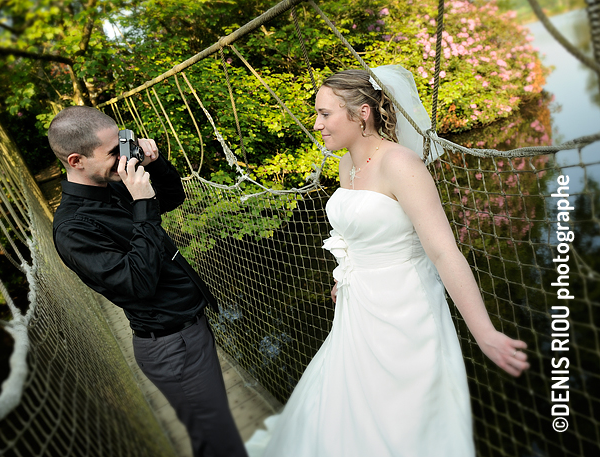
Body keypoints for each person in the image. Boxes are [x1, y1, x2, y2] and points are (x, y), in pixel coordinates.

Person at [245, 66, 530, 457]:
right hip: (357, 308)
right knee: (349, 412)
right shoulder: (346, 164)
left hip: (405, 315)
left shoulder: (400, 164)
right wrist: (344, 275)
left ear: (362, 112)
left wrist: (484, 333)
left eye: (325, 114)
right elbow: (354, 234)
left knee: (402, 421)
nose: (317, 124)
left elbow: (444, 251)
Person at [48, 106, 248, 457]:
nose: (125, 158)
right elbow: (136, 283)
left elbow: (170, 199)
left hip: (188, 332)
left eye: (123, 145)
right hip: (172, 346)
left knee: (215, 432)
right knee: (219, 441)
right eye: (114, 153)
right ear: (76, 160)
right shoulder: (72, 229)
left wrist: (154, 166)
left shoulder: (110, 183)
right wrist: (141, 203)